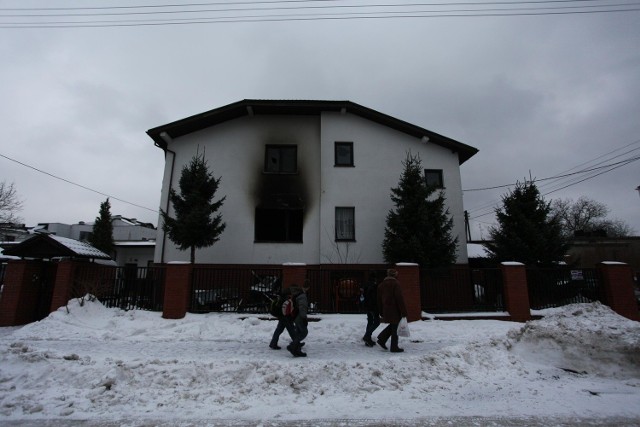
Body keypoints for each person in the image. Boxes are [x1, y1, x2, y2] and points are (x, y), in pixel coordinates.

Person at [376, 269, 408, 353]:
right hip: (395, 309)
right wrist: (404, 311)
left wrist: (381, 311)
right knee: (395, 327)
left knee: (393, 325)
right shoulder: (396, 284)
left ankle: (382, 339)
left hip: (386, 309)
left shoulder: (381, 285)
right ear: (395, 275)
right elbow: (399, 298)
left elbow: (378, 299)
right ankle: (394, 347)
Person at [287, 282, 310, 357]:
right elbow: (302, 307)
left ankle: (296, 349)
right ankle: (293, 346)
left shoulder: (296, 294)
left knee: (298, 332)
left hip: (295, 316)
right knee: (304, 332)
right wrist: (304, 318)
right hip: (299, 317)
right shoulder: (302, 296)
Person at [362, 272, 380, 347]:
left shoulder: (366, 284)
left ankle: (368, 339)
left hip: (367, 306)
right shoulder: (374, 286)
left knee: (370, 321)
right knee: (377, 322)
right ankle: (367, 336)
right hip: (373, 306)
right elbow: (374, 298)